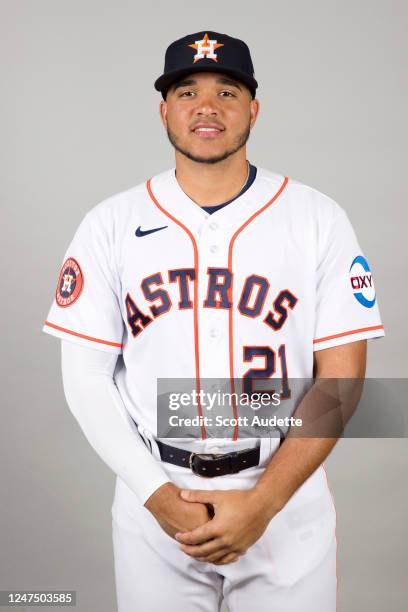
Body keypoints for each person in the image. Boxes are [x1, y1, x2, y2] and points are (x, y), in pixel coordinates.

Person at [42, 30, 385, 611]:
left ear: (253, 109)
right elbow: (85, 380)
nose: (206, 106)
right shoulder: (109, 224)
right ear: (164, 111)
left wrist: (266, 503)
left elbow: (341, 381)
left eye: (228, 92)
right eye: (186, 91)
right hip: (153, 492)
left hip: (284, 497)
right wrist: (157, 497)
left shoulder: (317, 218)